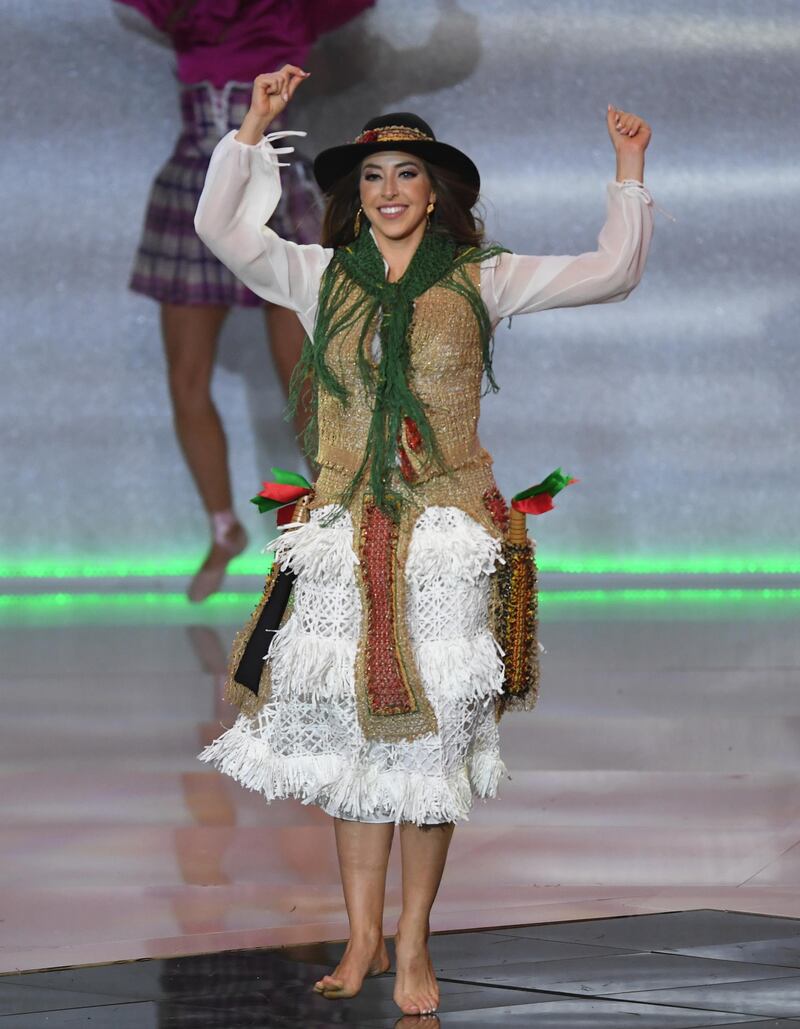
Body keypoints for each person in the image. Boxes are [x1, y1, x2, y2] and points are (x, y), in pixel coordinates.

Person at [195, 65, 654, 1017]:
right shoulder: (320, 277)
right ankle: (360, 933)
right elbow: (224, 233)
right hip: (343, 530)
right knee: (356, 744)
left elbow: (611, 271)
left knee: (433, 741)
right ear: (354, 197)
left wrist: (627, 169)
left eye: (407, 175)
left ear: (437, 192)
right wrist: (251, 131)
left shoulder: (482, 278)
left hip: (444, 534)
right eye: (372, 177)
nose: (390, 192)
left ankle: (413, 943)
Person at [114, 1, 374, 601]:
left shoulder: (294, 14)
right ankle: (223, 527)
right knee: (186, 376)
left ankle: (343, 526)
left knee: (306, 376)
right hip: (195, 191)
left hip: (275, 192)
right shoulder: (184, 8)